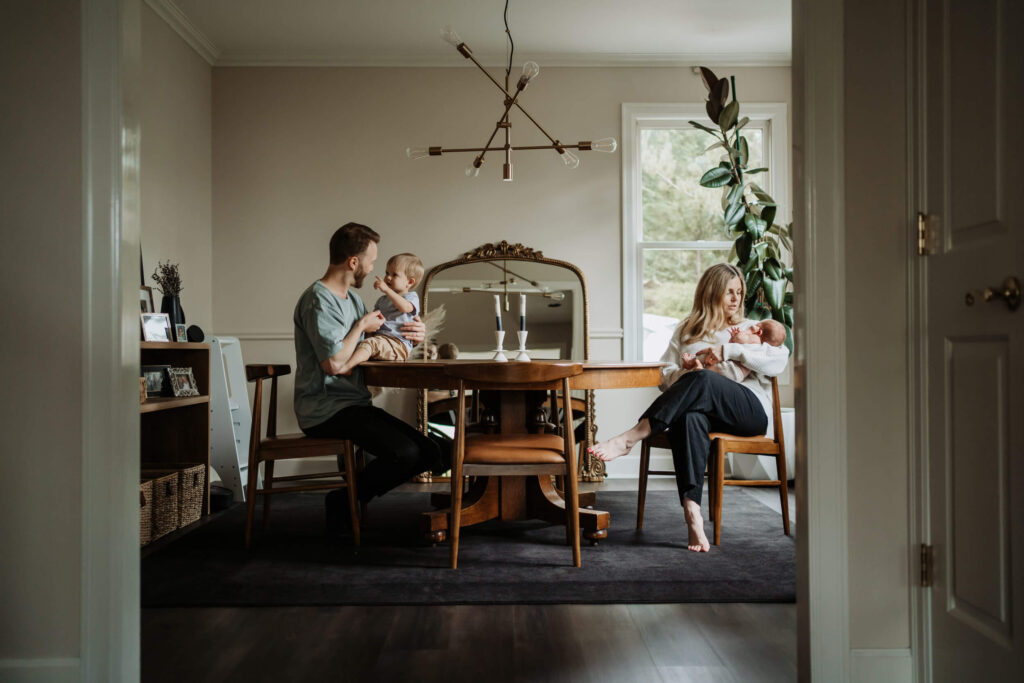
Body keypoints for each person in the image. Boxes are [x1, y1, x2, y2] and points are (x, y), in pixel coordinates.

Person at [588, 263, 789, 552]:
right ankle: (692, 511)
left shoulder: (751, 329)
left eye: (739, 292)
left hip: (748, 411)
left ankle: (631, 436)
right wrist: (687, 374)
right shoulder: (687, 329)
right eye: (729, 291)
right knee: (689, 417)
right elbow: (664, 374)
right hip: (705, 410)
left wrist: (727, 351)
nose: (736, 298)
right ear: (711, 292)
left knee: (703, 380)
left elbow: (778, 361)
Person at [292, 222, 443, 535]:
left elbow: (392, 329)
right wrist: (361, 327)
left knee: (430, 452)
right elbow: (333, 365)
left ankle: (348, 498)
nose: (374, 269)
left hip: (353, 403)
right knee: (406, 453)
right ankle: (342, 500)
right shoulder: (318, 301)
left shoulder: (354, 300)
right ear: (353, 263)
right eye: (372, 262)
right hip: (324, 409)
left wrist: (417, 330)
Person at [336, 252, 424, 375]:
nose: (388, 277)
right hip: (382, 340)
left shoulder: (411, 297)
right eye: (387, 273)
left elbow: (405, 308)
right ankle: (353, 365)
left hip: (398, 344)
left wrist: (387, 290)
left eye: (395, 275)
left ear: (409, 282)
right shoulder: (382, 300)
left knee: (370, 344)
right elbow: (374, 320)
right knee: (366, 343)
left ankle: (347, 367)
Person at [696, 318, 787, 382]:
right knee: (713, 371)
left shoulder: (755, 338)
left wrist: (749, 331)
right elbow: (738, 344)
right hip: (737, 373)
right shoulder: (760, 345)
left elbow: (739, 340)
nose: (753, 325)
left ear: (759, 331)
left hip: (734, 369)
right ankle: (699, 369)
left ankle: (700, 370)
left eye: (739, 292)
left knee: (711, 371)